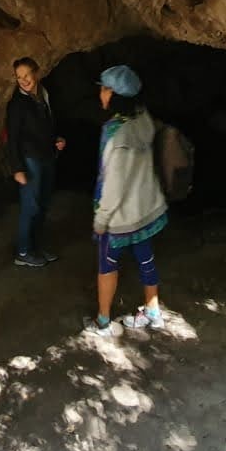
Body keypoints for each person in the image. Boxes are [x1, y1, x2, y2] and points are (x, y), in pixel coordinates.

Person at [86, 64, 169, 336]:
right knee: (146, 259)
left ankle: (103, 322)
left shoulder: (115, 133)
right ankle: (153, 312)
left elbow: (113, 184)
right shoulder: (143, 118)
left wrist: (101, 219)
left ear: (113, 94)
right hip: (145, 208)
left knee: (107, 265)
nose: (100, 92)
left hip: (120, 217)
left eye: (104, 88)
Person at [5, 57, 65, 267]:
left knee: (43, 204)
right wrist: (17, 168)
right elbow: (12, 138)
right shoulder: (17, 104)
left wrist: (56, 139)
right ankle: (23, 251)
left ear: (36, 73)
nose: (23, 80)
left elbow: (46, 125)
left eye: (26, 75)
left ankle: (36, 247)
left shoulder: (44, 95)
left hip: (46, 156)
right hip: (30, 160)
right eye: (19, 77)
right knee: (30, 206)